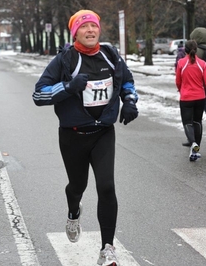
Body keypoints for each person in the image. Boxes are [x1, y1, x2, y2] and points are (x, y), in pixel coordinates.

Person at [32, 9, 138, 266]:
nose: (90, 31)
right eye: (84, 27)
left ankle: (107, 249)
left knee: (107, 186)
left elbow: (127, 82)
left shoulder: (111, 55)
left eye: (94, 26)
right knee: (77, 186)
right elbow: (39, 95)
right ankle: (73, 211)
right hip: (73, 136)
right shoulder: (65, 60)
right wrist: (67, 87)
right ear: (75, 32)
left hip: (103, 133)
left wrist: (130, 101)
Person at [175, 40, 206, 161]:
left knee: (187, 122)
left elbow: (178, 81)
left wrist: (181, 89)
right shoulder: (202, 64)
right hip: (200, 97)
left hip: (186, 98)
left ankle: (193, 143)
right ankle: (196, 148)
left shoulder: (181, 63)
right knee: (197, 121)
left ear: (185, 50)